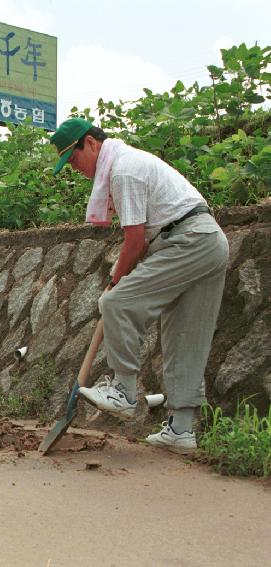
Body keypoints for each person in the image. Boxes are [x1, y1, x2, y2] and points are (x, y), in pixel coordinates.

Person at [50, 117, 229, 453]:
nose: (74, 168)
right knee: (184, 334)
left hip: (189, 239)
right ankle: (181, 431)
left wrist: (114, 281)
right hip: (207, 242)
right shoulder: (126, 164)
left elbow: (134, 240)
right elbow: (140, 238)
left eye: (73, 159)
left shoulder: (123, 169)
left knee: (117, 302)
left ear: (90, 143)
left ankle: (123, 391)